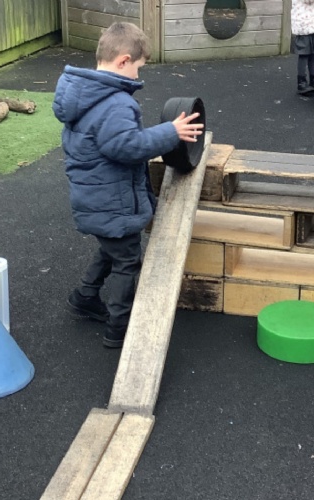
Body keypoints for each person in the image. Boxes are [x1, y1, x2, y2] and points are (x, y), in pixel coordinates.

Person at [52, 22, 204, 348]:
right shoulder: (116, 103)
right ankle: (119, 327)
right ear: (123, 60)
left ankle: (84, 297)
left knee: (111, 248)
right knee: (127, 261)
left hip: (95, 196)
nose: (138, 75)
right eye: (138, 67)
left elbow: (113, 141)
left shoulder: (83, 96)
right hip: (113, 200)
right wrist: (171, 132)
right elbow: (128, 147)